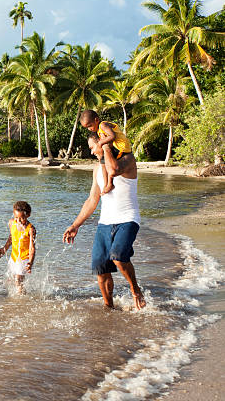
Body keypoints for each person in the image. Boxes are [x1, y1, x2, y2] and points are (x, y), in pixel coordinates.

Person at [62, 134, 146, 310]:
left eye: (93, 146)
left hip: (128, 218)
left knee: (119, 256)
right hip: (105, 222)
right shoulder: (96, 170)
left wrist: (106, 146)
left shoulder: (127, 160)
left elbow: (113, 169)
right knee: (100, 267)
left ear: (104, 142)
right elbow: (92, 200)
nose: (92, 151)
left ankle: (135, 289)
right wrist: (75, 225)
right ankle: (109, 309)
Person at [80, 109, 132, 195]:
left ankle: (110, 184)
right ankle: (106, 184)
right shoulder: (98, 129)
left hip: (121, 147)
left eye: (90, 126)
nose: (89, 129)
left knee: (108, 163)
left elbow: (112, 136)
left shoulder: (103, 125)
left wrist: (101, 142)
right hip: (116, 146)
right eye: (87, 128)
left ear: (96, 120)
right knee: (103, 162)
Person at [0, 201, 36, 294]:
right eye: (16, 217)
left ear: (28, 215)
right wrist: (4, 250)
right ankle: (16, 299)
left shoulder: (30, 229)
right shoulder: (11, 223)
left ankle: (21, 301)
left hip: (24, 258)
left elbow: (32, 248)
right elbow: (11, 238)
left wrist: (30, 262)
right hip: (14, 257)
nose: (19, 221)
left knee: (18, 280)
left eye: (22, 218)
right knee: (12, 279)